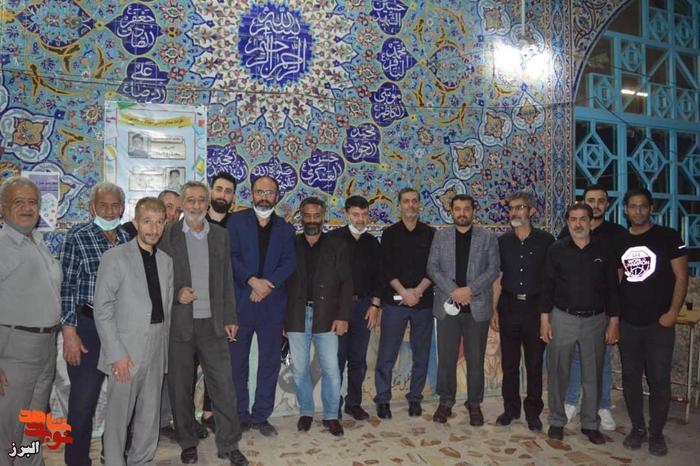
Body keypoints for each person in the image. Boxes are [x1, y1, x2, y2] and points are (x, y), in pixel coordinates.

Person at [158, 181, 248, 465]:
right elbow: (157, 278)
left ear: (208, 204)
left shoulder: (220, 235)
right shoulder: (168, 234)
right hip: (180, 325)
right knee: (180, 388)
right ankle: (187, 442)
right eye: (190, 200)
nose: (196, 205)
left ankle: (229, 444)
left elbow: (226, 279)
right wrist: (176, 293)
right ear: (183, 204)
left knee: (223, 386)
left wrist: (230, 317)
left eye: (201, 200)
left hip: (213, 325)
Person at [94, 197, 172, 465]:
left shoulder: (166, 261)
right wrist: (116, 354)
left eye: (159, 222)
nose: (153, 228)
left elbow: (166, 311)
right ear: (136, 223)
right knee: (118, 417)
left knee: (149, 415)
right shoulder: (115, 257)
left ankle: (142, 460)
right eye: (147, 221)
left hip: (156, 345)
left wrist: (163, 353)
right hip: (125, 349)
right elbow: (102, 310)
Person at [60, 182, 130, 466]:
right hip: (88, 330)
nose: (109, 211)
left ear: (122, 209)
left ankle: (112, 455)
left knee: (121, 400)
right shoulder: (77, 236)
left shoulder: (127, 238)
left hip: (121, 330)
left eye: (115, 206)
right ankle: (76, 460)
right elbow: (66, 286)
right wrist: (69, 333)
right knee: (82, 402)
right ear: (92, 208)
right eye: (103, 205)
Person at [540, 202, 620, 445]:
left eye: (583, 219)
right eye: (573, 219)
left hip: (596, 320)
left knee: (593, 374)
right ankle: (556, 421)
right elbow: (547, 286)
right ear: (567, 222)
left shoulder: (604, 249)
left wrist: (613, 321)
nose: (578, 224)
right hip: (562, 318)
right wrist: (544, 320)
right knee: (558, 372)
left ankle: (590, 423)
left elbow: (613, 288)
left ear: (590, 221)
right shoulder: (556, 249)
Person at [618, 187, 688, 457]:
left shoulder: (668, 237)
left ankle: (656, 434)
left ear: (651, 208)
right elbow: (618, 278)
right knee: (631, 378)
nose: (638, 211)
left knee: (659, 380)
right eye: (633, 206)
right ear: (625, 210)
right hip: (629, 323)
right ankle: (638, 428)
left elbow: (681, 277)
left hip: (659, 324)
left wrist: (673, 312)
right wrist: (616, 317)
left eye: (643, 206)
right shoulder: (621, 240)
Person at [227, 176, 296, 436]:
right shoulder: (236, 222)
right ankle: (240, 415)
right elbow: (230, 257)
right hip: (241, 304)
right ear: (251, 194)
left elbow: (289, 263)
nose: (264, 196)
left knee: (269, 363)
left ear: (277, 196)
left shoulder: (286, 229)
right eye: (259, 191)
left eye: (269, 192)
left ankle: (261, 416)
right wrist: (252, 281)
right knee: (237, 364)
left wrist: (267, 285)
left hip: (272, 306)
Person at [0, 177, 62, 465]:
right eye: (19, 202)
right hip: (14, 350)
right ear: (3, 208)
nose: (27, 208)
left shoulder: (37, 241)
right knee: (7, 433)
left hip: (46, 347)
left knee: (33, 427)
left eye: (33, 202)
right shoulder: (3, 246)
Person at [427, 194, 499, 426]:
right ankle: (445, 402)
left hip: (477, 308)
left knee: (475, 360)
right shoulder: (441, 236)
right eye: (457, 209)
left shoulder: (487, 237)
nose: (462, 213)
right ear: (451, 211)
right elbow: (432, 268)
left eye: (466, 209)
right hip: (448, 308)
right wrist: (454, 291)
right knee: (447, 359)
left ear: (473, 210)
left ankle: (474, 403)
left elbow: (493, 269)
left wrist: (470, 290)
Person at [558, 184, 626, 430]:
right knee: (575, 359)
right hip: (572, 311)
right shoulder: (566, 234)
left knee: (602, 360)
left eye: (600, 201)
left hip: (602, 311)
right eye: (590, 200)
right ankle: (571, 401)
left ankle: (602, 406)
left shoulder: (616, 234)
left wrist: (612, 314)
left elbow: (619, 275)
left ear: (607, 204)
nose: (595, 205)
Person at [286, 197, 351, 436]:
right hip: (296, 315)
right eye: (307, 215)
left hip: (328, 316)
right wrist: (284, 320)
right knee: (300, 370)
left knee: (331, 369)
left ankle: (331, 415)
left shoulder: (337, 245)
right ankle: (306, 412)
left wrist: (343, 316)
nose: (312, 220)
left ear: (323, 216)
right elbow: (282, 283)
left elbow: (346, 283)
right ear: (301, 217)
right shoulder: (291, 244)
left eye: (316, 215)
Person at [491, 190, 554, 431]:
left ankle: (533, 412)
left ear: (531, 211)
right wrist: (494, 309)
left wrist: (546, 316)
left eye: (520, 207)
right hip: (508, 307)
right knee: (509, 364)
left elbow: (549, 282)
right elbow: (498, 278)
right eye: (512, 208)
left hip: (535, 309)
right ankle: (511, 409)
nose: (515, 212)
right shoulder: (502, 242)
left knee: (534, 364)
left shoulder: (546, 241)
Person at [374, 188, 435, 419]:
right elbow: (385, 267)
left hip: (423, 301)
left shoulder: (431, 234)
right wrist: (403, 292)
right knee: (387, 353)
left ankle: (415, 398)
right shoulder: (389, 234)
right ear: (398, 205)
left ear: (420, 205)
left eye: (414, 201)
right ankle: (383, 399)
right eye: (406, 201)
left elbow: (435, 267)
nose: (410, 205)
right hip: (394, 303)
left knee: (421, 354)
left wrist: (417, 291)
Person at [328, 195, 382, 421]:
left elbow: (380, 277)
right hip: (338, 308)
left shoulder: (372, 243)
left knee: (358, 360)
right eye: (355, 215)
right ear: (346, 214)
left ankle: (353, 403)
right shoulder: (333, 239)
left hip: (364, 307)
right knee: (337, 359)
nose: (360, 219)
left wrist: (375, 305)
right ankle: (334, 405)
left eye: (364, 215)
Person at [197, 172, 237, 433]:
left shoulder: (238, 226)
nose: (223, 195)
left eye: (228, 191)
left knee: (219, 365)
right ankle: (185, 417)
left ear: (233, 197)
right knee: (190, 365)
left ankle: (210, 413)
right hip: (195, 304)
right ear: (211, 191)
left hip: (224, 305)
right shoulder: (195, 222)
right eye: (219, 189)